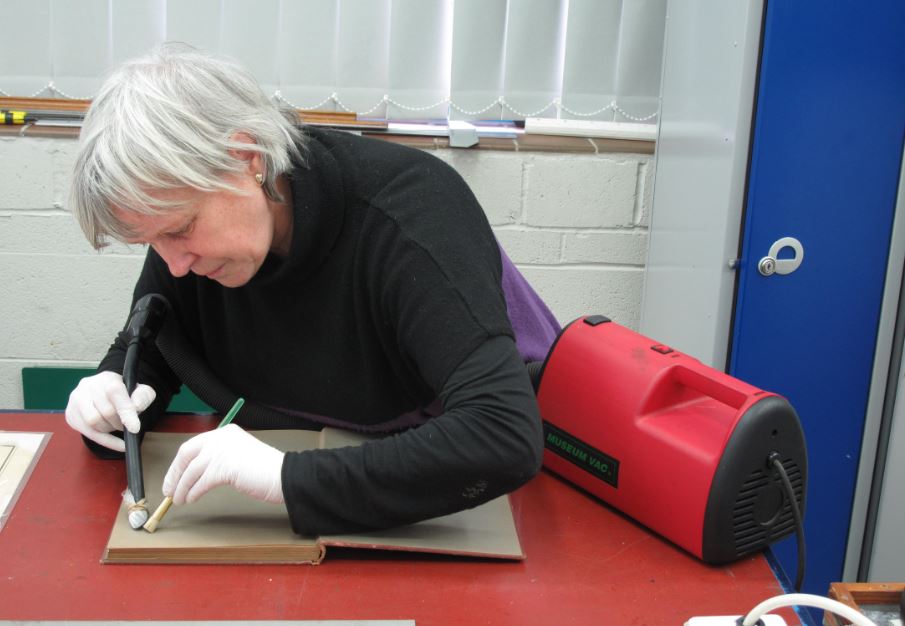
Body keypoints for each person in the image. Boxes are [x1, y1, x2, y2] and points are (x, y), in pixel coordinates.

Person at [64, 44, 560, 536]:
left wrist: (287, 478)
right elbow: (151, 352)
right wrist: (110, 398)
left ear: (246, 157)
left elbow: (503, 435)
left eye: (178, 230)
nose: (172, 265)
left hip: (509, 497)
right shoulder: (193, 246)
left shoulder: (410, 214)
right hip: (347, 491)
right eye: (150, 241)